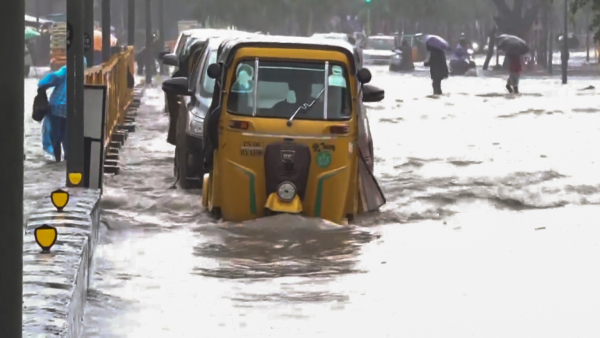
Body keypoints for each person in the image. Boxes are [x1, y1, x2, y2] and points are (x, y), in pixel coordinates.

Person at [38, 58, 87, 161]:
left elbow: (51, 79)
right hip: (73, 108)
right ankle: (67, 159)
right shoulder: (86, 74)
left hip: (57, 107)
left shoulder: (66, 70)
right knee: (68, 136)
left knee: (55, 135)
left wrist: (42, 86)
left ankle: (57, 158)